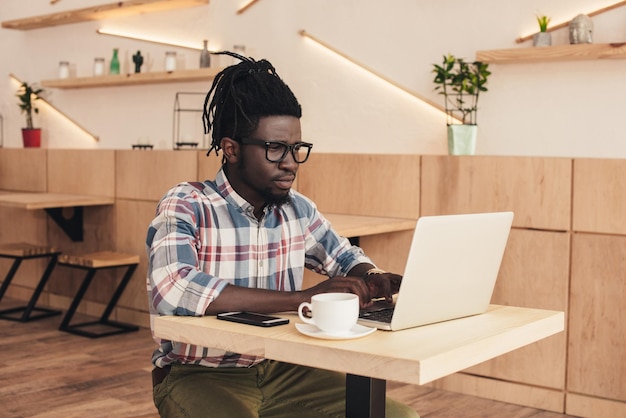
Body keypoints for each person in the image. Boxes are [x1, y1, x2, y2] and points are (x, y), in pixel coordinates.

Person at [146, 51, 419, 418]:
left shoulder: (298, 209)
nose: (289, 162)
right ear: (231, 149)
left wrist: (371, 276)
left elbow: (343, 256)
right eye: (275, 148)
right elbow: (174, 290)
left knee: (400, 417)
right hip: (198, 373)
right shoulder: (187, 203)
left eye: (296, 149)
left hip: (285, 368)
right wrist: (301, 297)